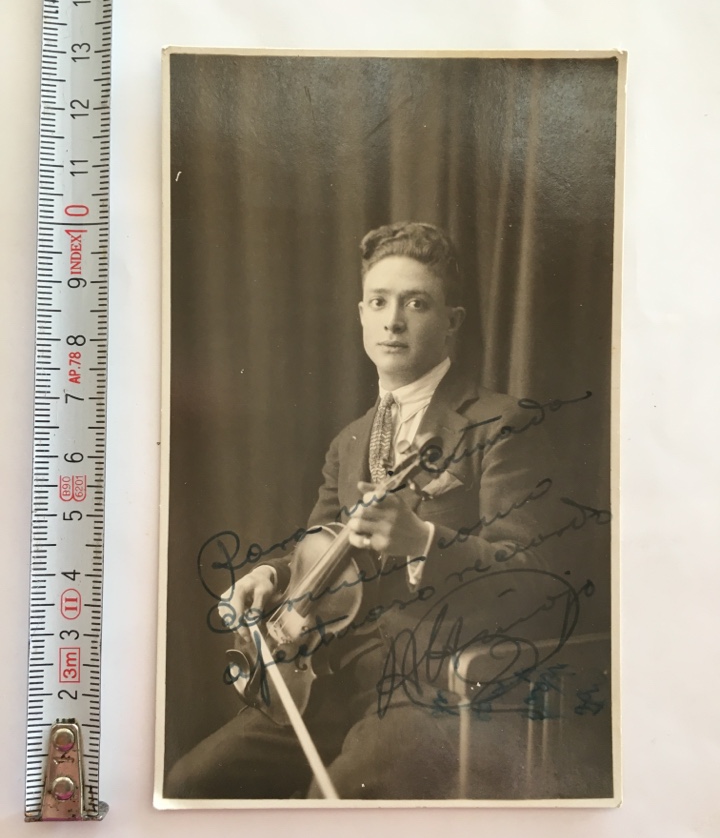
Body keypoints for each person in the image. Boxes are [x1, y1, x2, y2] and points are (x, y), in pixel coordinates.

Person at [166, 222, 576, 801]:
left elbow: (534, 577)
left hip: (428, 685)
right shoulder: (350, 440)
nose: (394, 321)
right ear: (361, 314)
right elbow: (318, 541)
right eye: (379, 302)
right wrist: (272, 574)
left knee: (327, 814)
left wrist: (425, 542)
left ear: (451, 321)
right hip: (329, 678)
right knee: (189, 787)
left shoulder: (501, 422)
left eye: (416, 303)